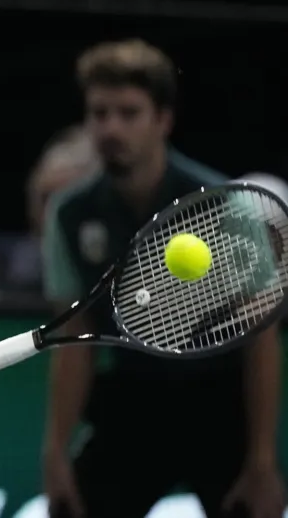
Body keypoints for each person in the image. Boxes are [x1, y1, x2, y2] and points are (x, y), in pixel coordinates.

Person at [41, 39, 285, 518]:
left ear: (163, 120)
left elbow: (262, 339)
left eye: (128, 113)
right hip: (134, 403)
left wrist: (262, 459)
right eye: (100, 113)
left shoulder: (225, 206)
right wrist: (54, 451)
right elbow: (74, 338)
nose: (111, 128)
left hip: (221, 405)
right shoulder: (70, 213)